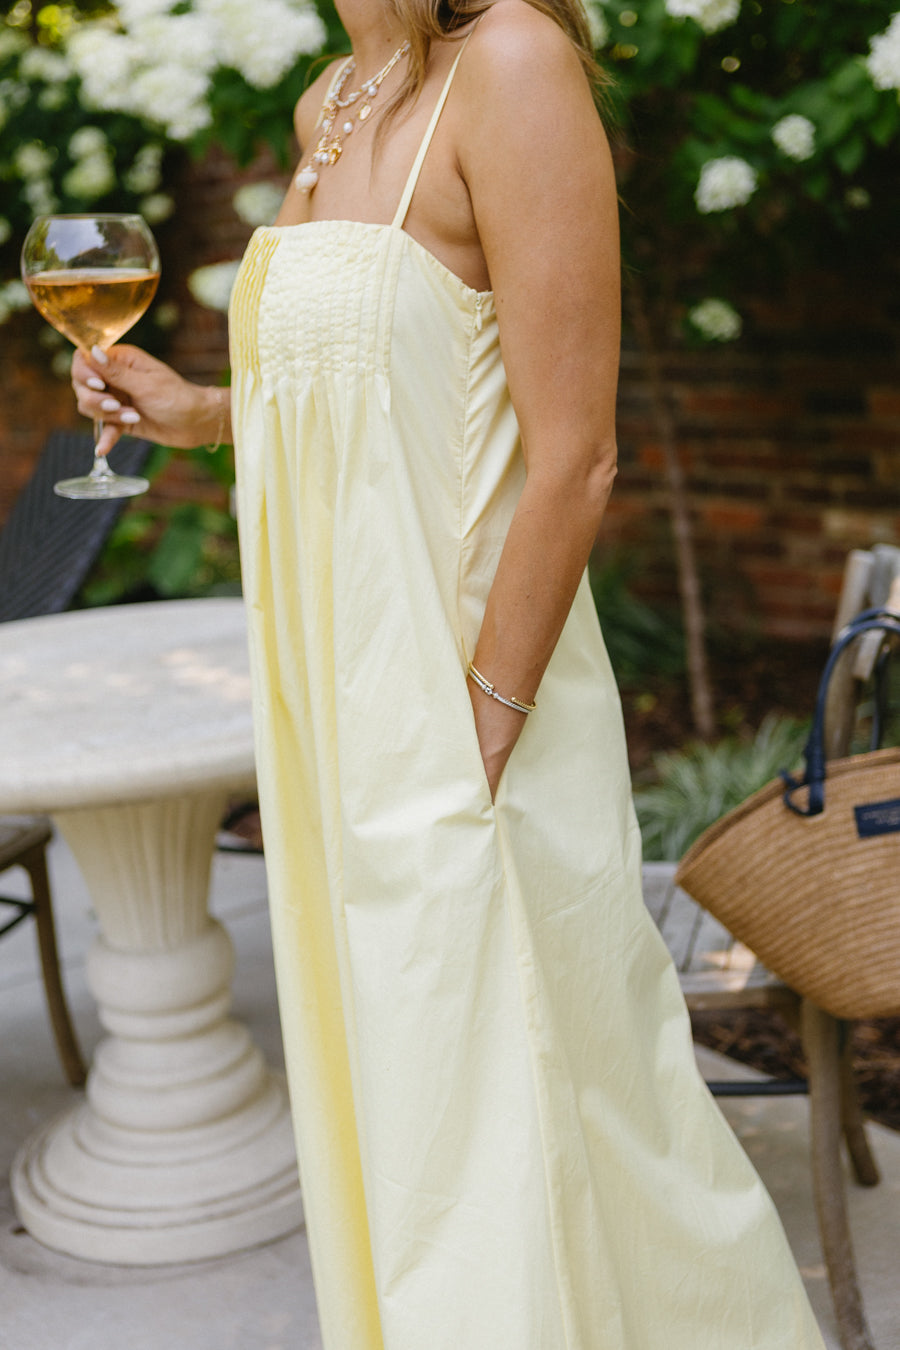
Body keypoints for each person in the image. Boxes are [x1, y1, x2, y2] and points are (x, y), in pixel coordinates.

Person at [72, 2, 827, 1346]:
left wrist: (482, 722)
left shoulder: (514, 63)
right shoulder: (329, 98)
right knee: (413, 1104)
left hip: (474, 706)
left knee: (528, 1102)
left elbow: (574, 455)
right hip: (336, 701)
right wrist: (196, 414)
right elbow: (354, 399)